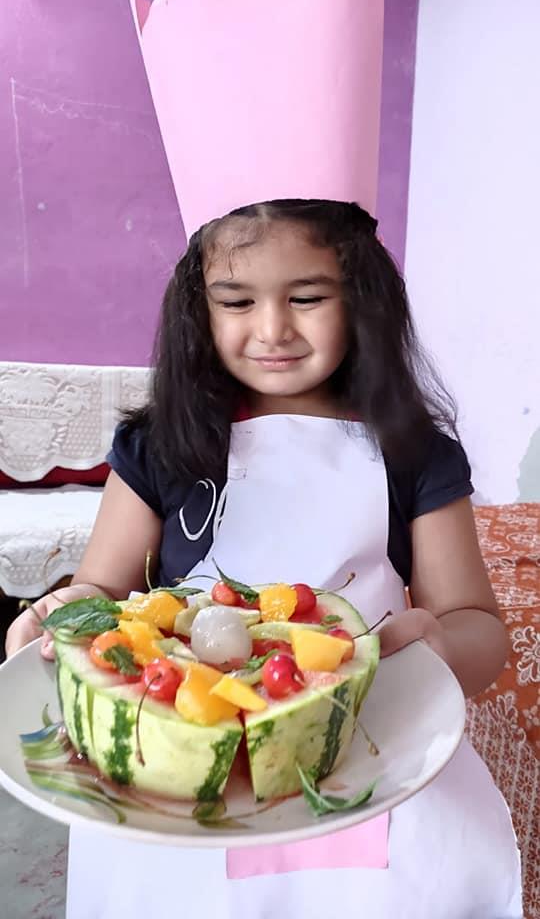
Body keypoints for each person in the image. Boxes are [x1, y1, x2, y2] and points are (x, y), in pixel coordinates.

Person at [6, 197, 522, 917]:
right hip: (175, 757)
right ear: (199, 312)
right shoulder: (159, 447)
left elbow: (479, 628)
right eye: (237, 301)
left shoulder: (416, 453)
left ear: (363, 300)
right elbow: (101, 589)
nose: (273, 329)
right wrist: (65, 612)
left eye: (307, 298)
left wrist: (438, 643)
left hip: (363, 736)